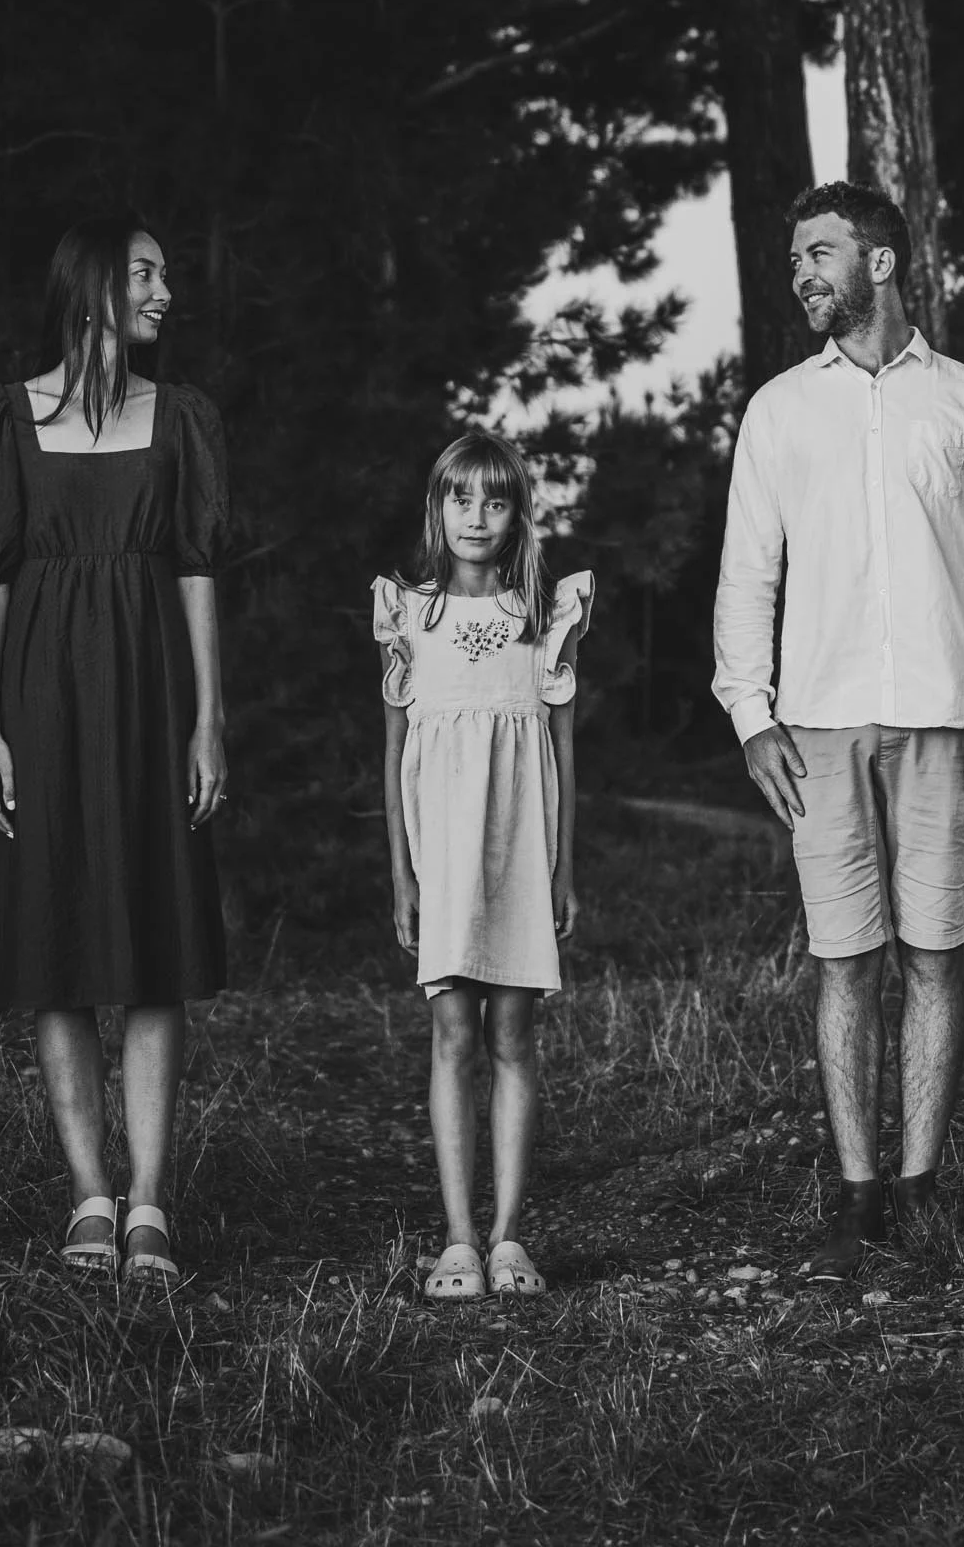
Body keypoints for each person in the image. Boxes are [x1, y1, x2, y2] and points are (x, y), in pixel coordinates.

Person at [713, 181, 964, 1278]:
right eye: (791, 258)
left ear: (880, 261)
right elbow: (745, 577)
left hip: (945, 724)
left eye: (816, 252)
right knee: (844, 960)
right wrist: (750, 715)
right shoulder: (776, 411)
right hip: (814, 727)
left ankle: (921, 1183)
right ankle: (859, 1193)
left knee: (935, 953)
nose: (799, 273)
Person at [0, 213, 229, 1285]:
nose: (167, 292)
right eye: (148, 273)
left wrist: (210, 719)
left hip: (152, 690)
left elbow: (199, 572)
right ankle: (88, 1195)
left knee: (154, 947)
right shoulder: (5, 417)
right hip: (39, 694)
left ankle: (152, 1201)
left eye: (167, 273)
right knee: (51, 946)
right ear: (94, 286)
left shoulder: (181, 419)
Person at [374, 428, 593, 1302]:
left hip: (520, 855)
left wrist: (563, 870)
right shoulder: (410, 614)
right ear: (438, 508)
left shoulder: (542, 620)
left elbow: (565, 758)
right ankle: (457, 1238)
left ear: (516, 515)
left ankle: (508, 1237)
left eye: (494, 501)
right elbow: (393, 758)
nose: (476, 516)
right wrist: (402, 875)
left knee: (513, 1035)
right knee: (453, 1035)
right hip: (443, 859)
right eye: (460, 499)